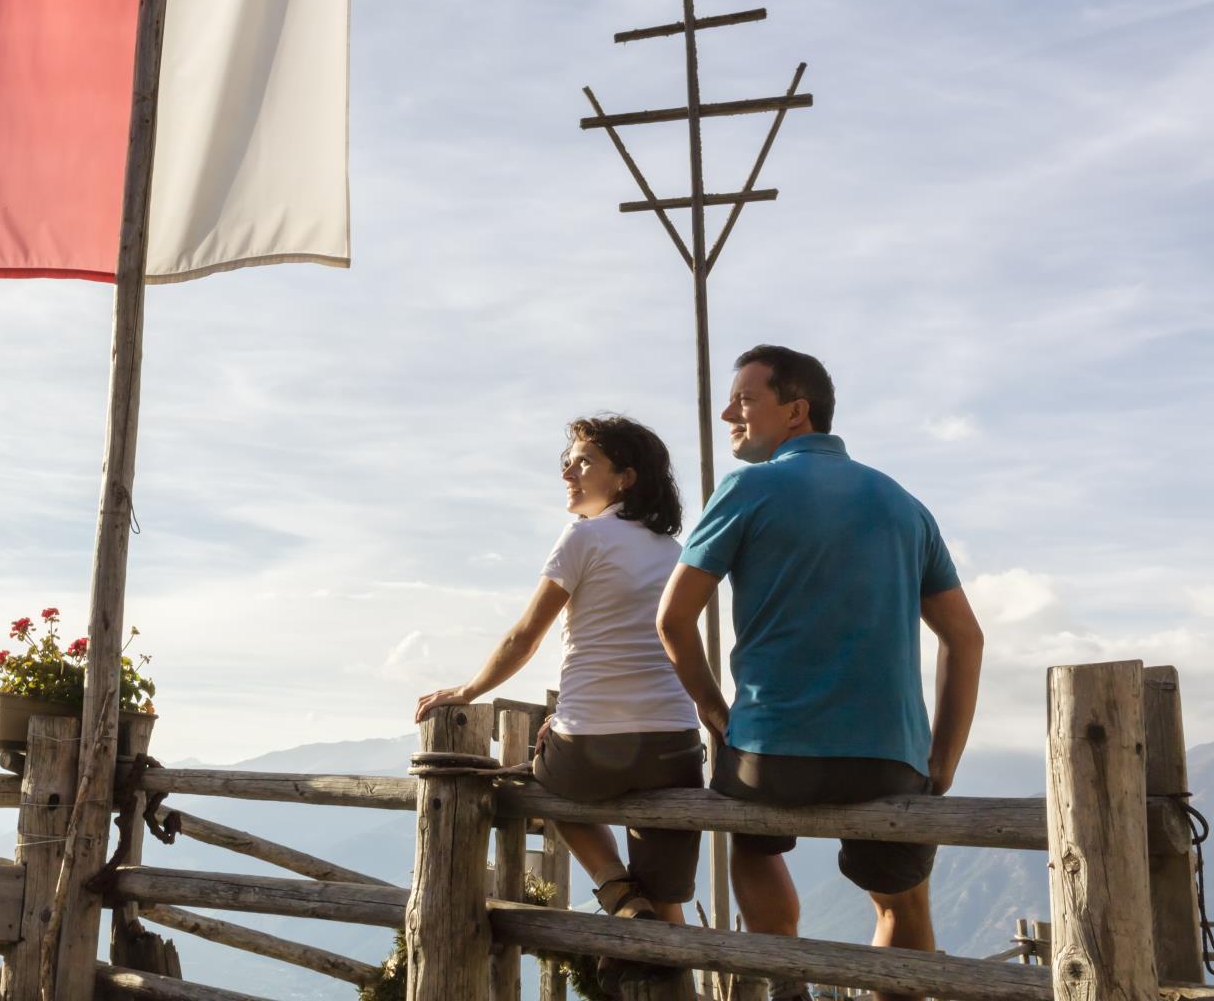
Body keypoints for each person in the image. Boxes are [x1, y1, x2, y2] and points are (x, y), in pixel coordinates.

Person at [656, 345, 985, 1001]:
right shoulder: (904, 504)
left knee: (754, 846)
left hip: (768, 752)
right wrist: (943, 757)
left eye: (745, 400)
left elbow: (672, 620)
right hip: (890, 756)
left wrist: (717, 715)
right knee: (900, 907)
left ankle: (789, 989)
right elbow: (965, 639)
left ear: (796, 411)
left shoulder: (747, 489)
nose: (729, 412)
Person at [415, 414, 704, 929]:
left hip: (589, 749)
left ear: (625, 478)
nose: (568, 473)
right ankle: (660, 948)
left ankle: (616, 888)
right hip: (675, 746)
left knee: (541, 786)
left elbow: (523, 638)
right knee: (669, 902)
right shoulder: (677, 553)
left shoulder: (583, 536)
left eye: (584, 462)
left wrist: (468, 689)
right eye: (566, 463)